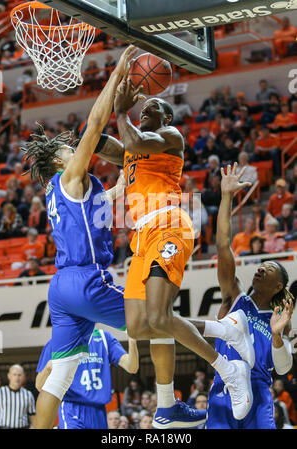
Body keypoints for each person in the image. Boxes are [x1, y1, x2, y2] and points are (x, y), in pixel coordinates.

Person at [110, 81, 254, 428]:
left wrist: (120, 110)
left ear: (167, 115)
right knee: (138, 325)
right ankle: (223, 329)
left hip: (169, 225)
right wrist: (104, 106)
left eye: (153, 107)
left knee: (159, 317)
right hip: (142, 236)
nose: (146, 110)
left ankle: (228, 369)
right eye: (143, 108)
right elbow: (106, 144)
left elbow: (131, 140)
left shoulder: (169, 136)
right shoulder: (131, 146)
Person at [20, 45, 139, 429]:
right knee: (151, 317)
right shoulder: (70, 175)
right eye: (68, 150)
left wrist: (122, 186)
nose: (75, 150)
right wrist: (118, 73)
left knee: (59, 376)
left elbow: (105, 201)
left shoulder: (65, 191)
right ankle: (185, 392)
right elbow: (94, 124)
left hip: (61, 286)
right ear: (59, 160)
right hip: (86, 278)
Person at [200, 163, 295, 429]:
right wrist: (227, 196)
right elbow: (222, 245)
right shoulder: (235, 296)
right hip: (225, 387)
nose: (262, 267)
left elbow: (284, 367)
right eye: (261, 265)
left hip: (259, 391)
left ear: (278, 286)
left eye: (271, 268)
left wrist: (277, 336)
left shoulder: (278, 318)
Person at [36, 330, 139, 429]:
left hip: (98, 410)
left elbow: (132, 367)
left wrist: (132, 341)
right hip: (72, 407)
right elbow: (39, 386)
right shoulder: (58, 341)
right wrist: (48, 367)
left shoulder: (104, 338)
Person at [0, 365, 36, 429]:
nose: (17, 378)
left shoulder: (28, 394)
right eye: (14, 375)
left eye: (19, 375)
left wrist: (33, 426)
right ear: (9, 376)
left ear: (23, 376)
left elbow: (32, 415)